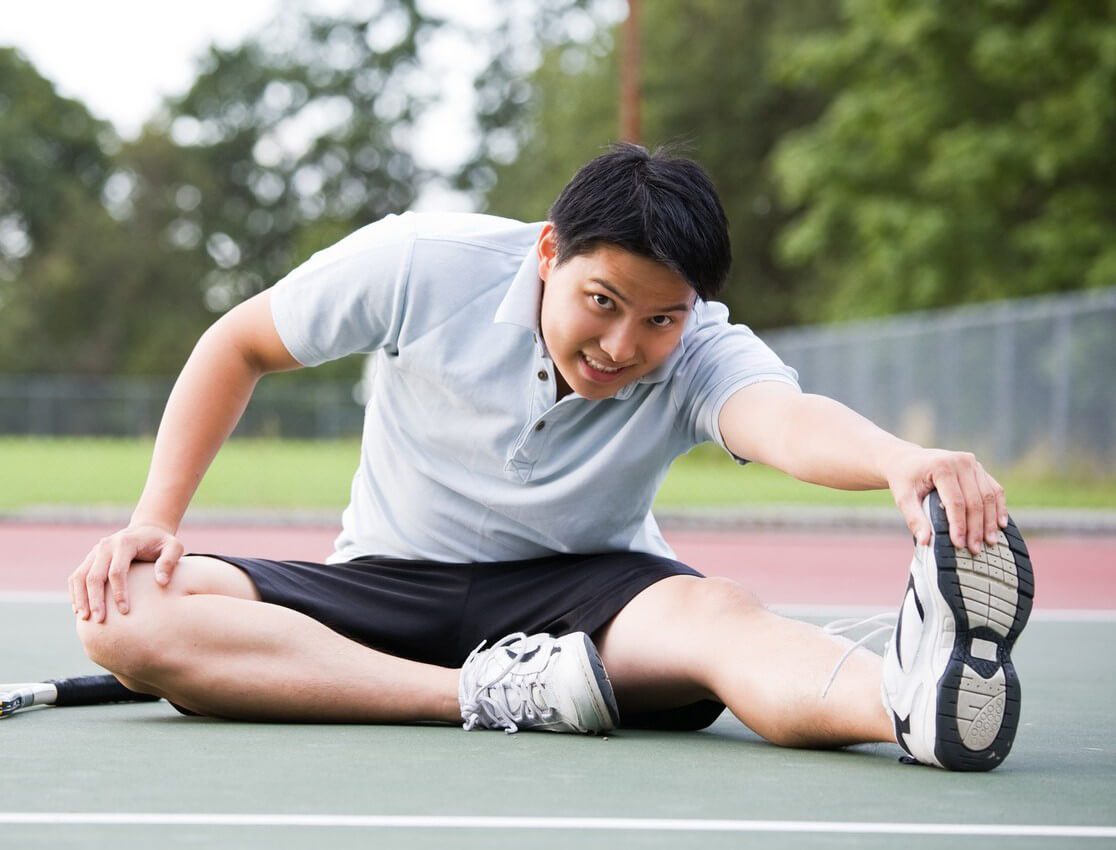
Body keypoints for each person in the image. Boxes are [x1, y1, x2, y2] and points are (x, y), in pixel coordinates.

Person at [69, 143, 1034, 771]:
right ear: (547, 252)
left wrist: (897, 459)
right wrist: (155, 522)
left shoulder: (700, 350)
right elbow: (236, 344)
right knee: (128, 617)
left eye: (661, 318)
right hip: (382, 586)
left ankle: (909, 702)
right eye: (603, 302)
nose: (623, 346)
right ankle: (477, 698)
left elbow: (782, 419)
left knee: (718, 617)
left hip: (586, 606)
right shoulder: (421, 262)